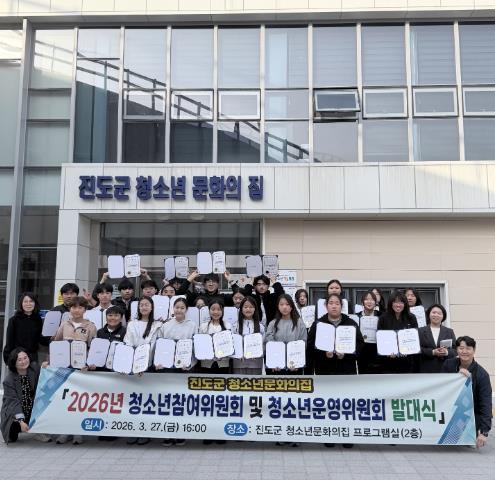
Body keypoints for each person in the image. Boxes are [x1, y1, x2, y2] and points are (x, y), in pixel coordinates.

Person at [306, 293, 364, 449]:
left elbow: (360, 345)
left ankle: (347, 435)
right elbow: (310, 346)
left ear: (341, 306)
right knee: (328, 404)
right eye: (331, 303)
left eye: (337, 303)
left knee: (346, 404)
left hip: (346, 370)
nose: (334, 306)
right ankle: (329, 434)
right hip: (325, 370)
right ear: (326, 306)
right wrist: (322, 353)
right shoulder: (318, 324)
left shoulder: (350, 323)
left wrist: (347, 354)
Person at [50, 296, 97, 445]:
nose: (77, 310)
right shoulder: (65, 324)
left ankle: (78, 432)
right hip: (65, 369)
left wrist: (89, 364)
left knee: (79, 401)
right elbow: (56, 344)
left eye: (80, 307)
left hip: (82, 370)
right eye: (74, 307)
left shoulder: (91, 326)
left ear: (85, 309)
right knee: (65, 401)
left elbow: (94, 348)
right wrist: (50, 361)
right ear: (70, 309)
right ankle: (65, 431)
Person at [158, 297, 197, 447]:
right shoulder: (166, 325)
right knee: (168, 400)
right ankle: (167, 433)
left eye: (182, 307)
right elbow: (159, 345)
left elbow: (195, 347)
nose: (179, 310)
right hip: (168, 368)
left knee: (181, 401)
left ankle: (180, 433)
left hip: (184, 369)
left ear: (186, 310)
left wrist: (190, 363)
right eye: (177, 307)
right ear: (172, 309)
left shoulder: (192, 325)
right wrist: (159, 362)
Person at [123, 296, 161, 446]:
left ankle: (145, 432)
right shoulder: (132, 324)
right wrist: (135, 364)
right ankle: (133, 431)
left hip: (150, 367)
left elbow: (156, 345)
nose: (144, 307)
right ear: (138, 308)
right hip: (133, 366)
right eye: (141, 305)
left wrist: (145, 364)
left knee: (148, 402)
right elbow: (128, 343)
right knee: (134, 401)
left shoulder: (157, 325)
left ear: (152, 308)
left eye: (147, 305)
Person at [442, 337, 492, 448]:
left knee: (467, 437)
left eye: (468, 348)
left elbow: (486, 404)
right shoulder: (448, 364)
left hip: (470, 414)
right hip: (449, 409)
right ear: (456, 350)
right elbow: (441, 387)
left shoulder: (482, 375)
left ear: (474, 350)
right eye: (461, 348)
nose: (464, 351)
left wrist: (484, 432)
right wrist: (456, 377)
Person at [1, 348, 51, 444]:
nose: (23, 361)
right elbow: (13, 403)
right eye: (19, 360)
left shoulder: (34, 368)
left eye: (25, 358)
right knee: (12, 437)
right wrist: (20, 421)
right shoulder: (9, 380)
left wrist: (44, 367)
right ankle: (19, 426)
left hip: (32, 408)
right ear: (14, 362)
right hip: (15, 413)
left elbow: (43, 374)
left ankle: (37, 431)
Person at [377, 290, 419, 374]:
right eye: (395, 302)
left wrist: (408, 350)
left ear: (405, 304)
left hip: (407, 362)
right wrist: (387, 351)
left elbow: (415, 338)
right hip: (388, 362)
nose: (398, 305)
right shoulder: (383, 318)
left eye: (401, 302)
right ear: (391, 303)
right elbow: (380, 339)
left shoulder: (411, 317)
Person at [265, 294, 307, 375]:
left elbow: (303, 342)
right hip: (278, 367)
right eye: (281, 304)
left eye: (287, 304)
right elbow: (269, 344)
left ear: (291, 306)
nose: (284, 307)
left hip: (294, 366)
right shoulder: (272, 324)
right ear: (278, 306)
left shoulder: (299, 323)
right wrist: (273, 362)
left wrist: (297, 362)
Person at [3, 292, 47, 364]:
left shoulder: (37, 319)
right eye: (25, 301)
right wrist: (8, 359)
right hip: (18, 357)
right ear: (21, 304)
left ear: (35, 303)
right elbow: (9, 341)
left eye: (31, 301)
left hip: (33, 357)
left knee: (34, 371)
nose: (28, 304)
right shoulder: (14, 320)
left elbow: (40, 338)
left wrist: (52, 338)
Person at [418, 304, 456, 373]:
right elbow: (417, 349)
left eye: (439, 313)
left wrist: (446, 352)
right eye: (433, 312)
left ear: (443, 316)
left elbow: (455, 350)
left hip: (445, 369)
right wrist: (432, 352)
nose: (436, 315)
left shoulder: (449, 331)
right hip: (426, 369)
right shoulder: (420, 331)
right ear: (429, 314)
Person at [231, 296, 265, 375]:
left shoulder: (260, 327)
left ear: (255, 309)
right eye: (245, 307)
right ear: (241, 309)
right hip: (239, 363)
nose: (248, 309)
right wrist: (238, 354)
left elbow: (263, 344)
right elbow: (233, 344)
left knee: (255, 382)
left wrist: (257, 353)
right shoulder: (235, 326)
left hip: (255, 363)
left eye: (251, 307)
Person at [199, 300, 231, 375]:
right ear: (209, 310)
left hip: (223, 363)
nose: (216, 312)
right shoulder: (203, 326)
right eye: (213, 309)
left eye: (219, 309)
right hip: (206, 363)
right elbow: (200, 346)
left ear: (222, 311)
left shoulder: (228, 326)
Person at [356, 290, 382, 375]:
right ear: (362, 302)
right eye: (366, 299)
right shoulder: (356, 316)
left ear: (376, 302)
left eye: (372, 299)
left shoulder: (381, 316)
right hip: (362, 353)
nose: (369, 302)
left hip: (377, 353)